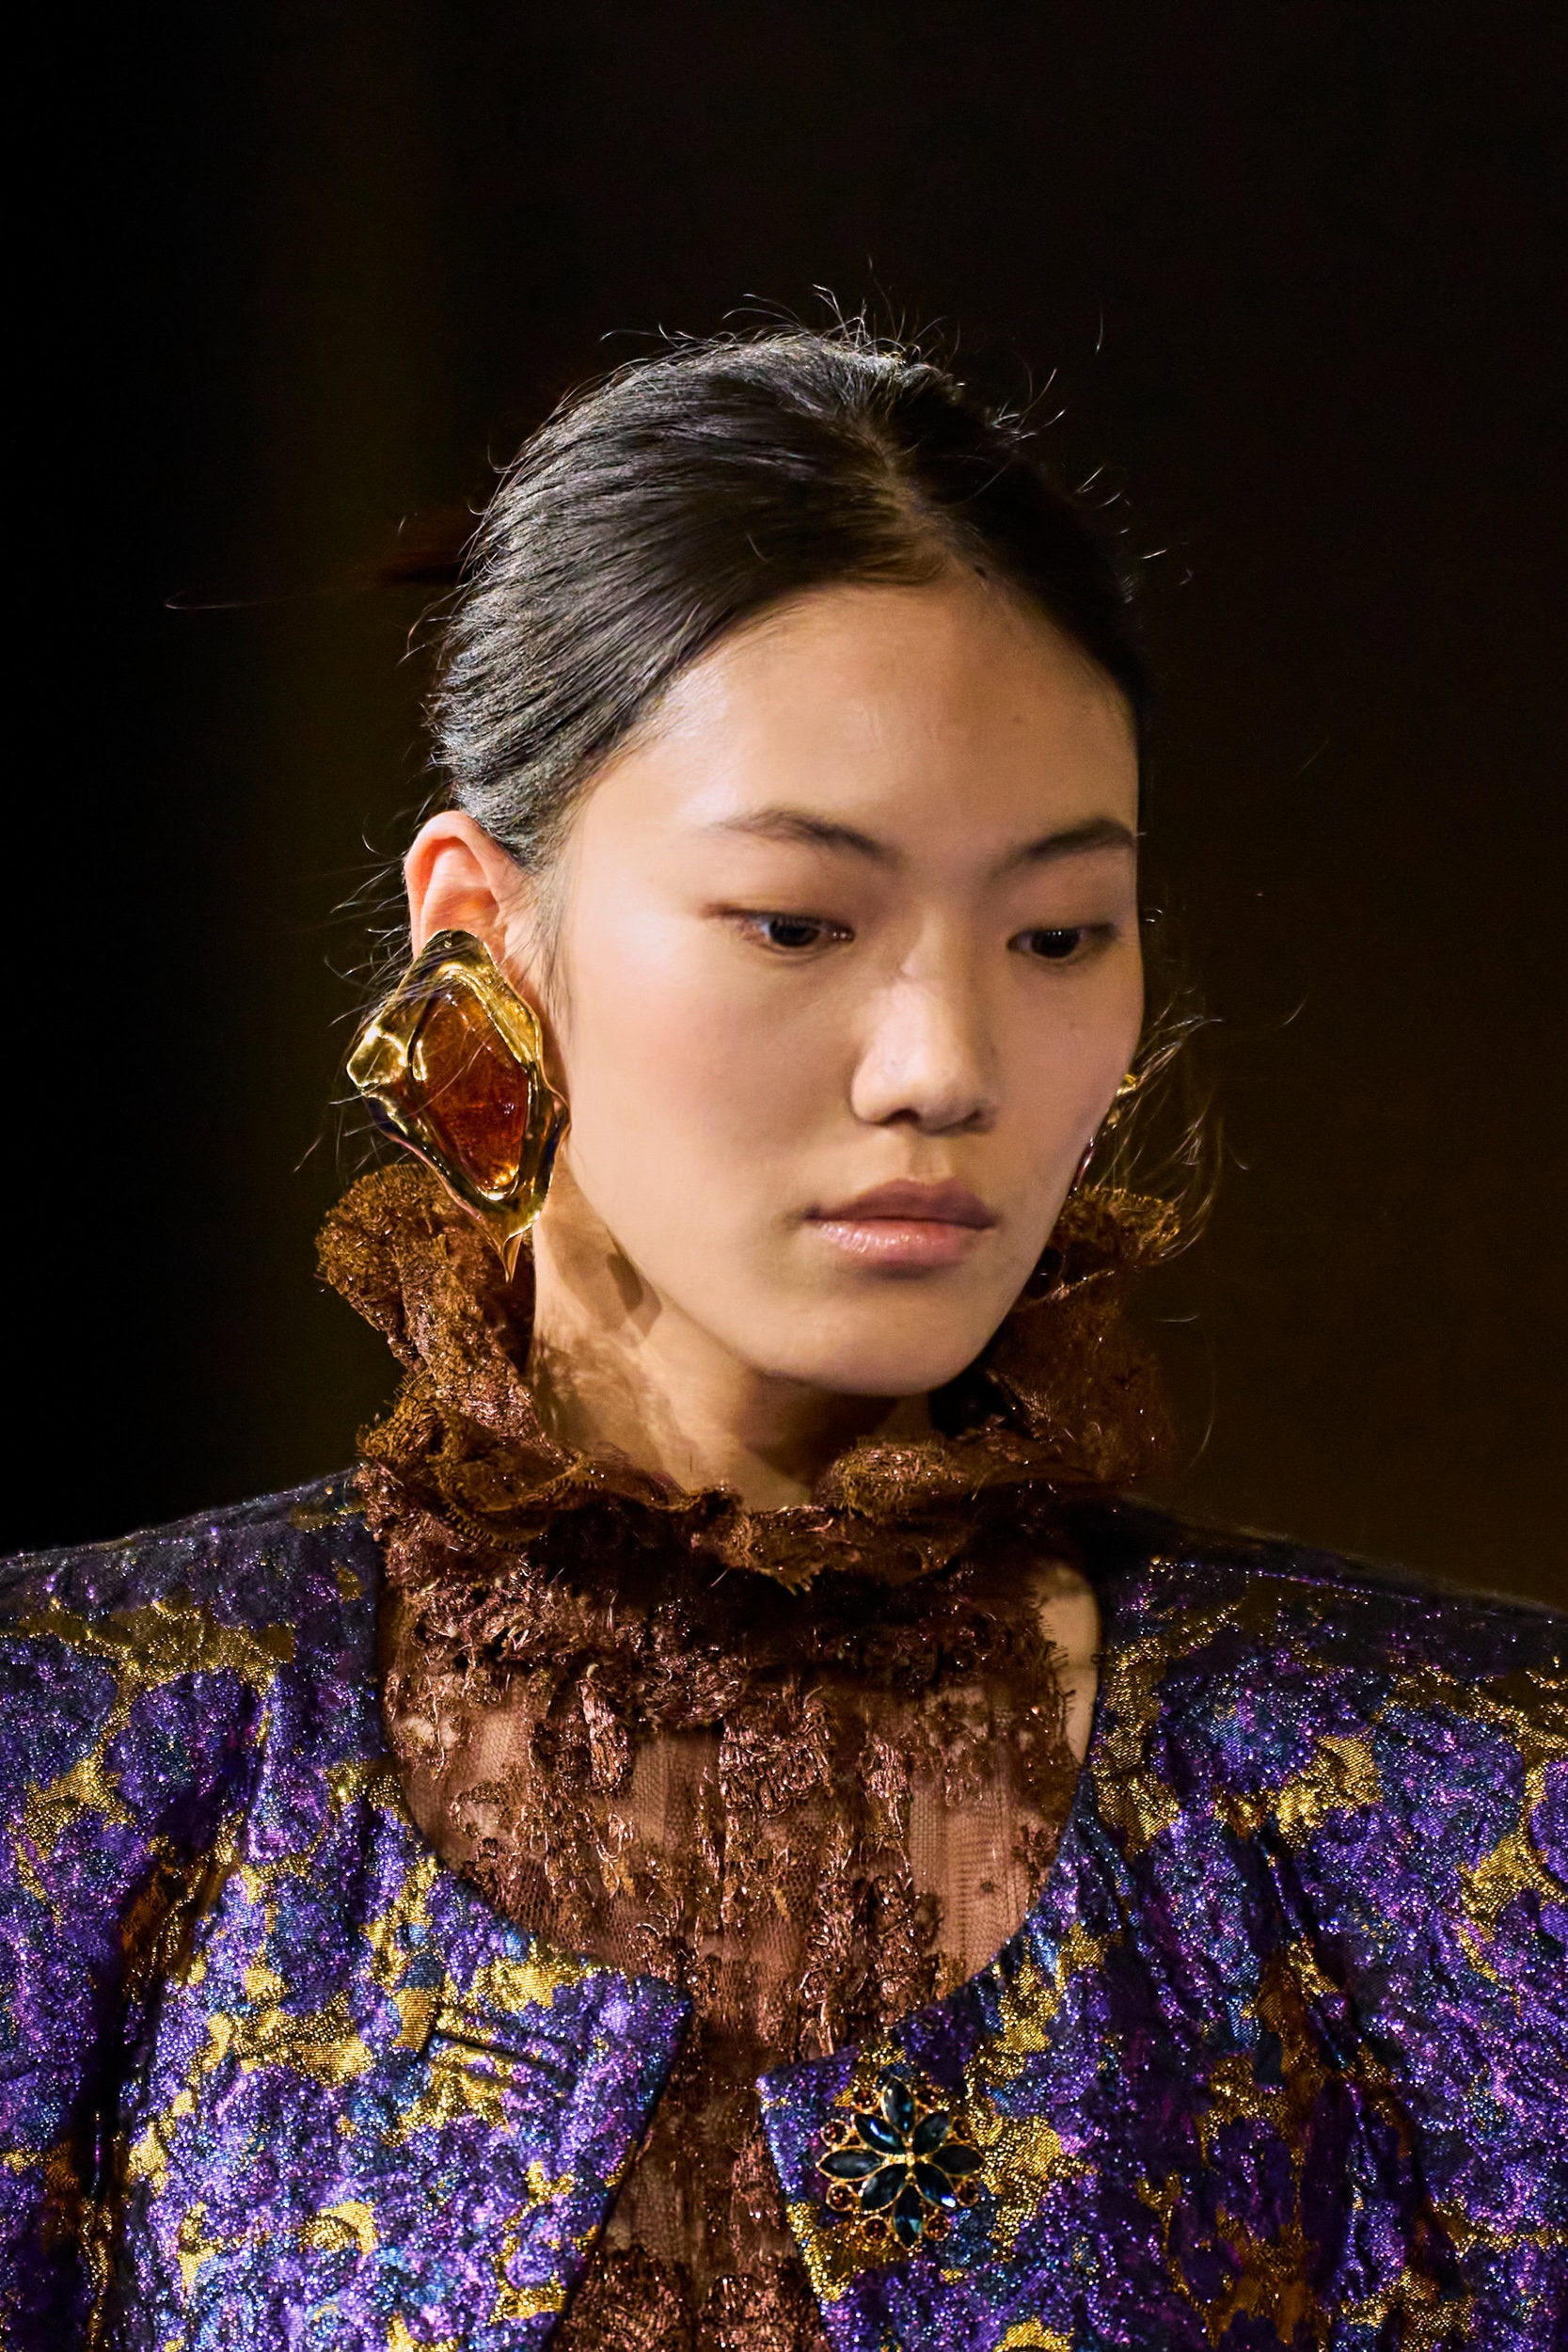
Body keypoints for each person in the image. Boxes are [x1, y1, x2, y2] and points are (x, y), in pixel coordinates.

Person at [1, 328, 1560, 2352]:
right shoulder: (73, 1759)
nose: (944, 1063)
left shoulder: (1462, 1808)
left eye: (1059, 933)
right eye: (799, 921)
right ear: (482, 929)